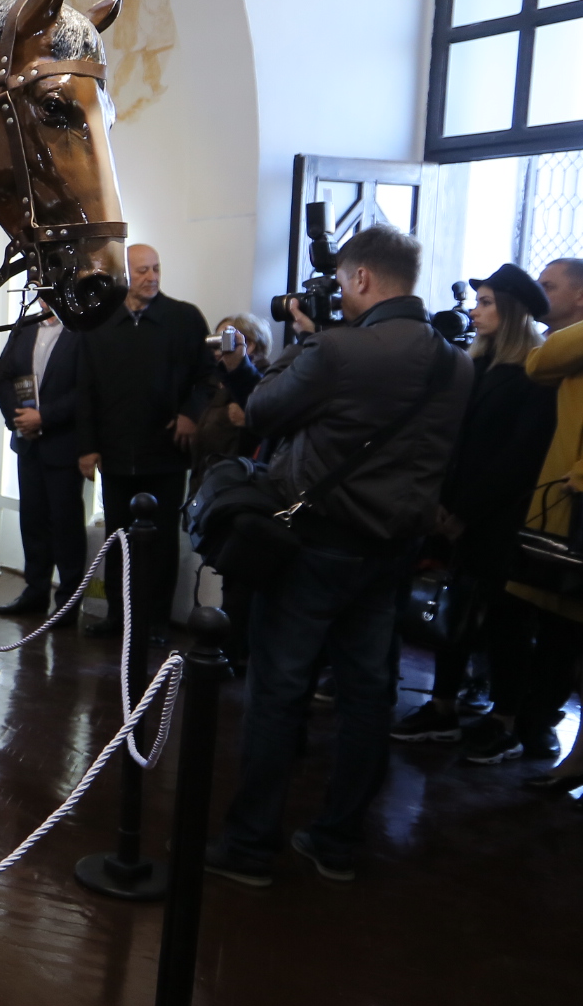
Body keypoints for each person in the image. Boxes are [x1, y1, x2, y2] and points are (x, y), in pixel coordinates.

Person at [206, 226, 472, 886]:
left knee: (278, 690)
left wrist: (303, 342)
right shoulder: (455, 364)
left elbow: (263, 409)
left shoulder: (339, 352)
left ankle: (250, 846)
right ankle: (337, 841)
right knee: (366, 694)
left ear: (360, 280)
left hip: (314, 547)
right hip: (392, 553)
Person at [387, 266, 555, 746]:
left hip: (502, 517)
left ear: (513, 312)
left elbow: (518, 457)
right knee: (456, 613)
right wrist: (443, 502)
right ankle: (442, 705)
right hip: (458, 511)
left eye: (486, 303)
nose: (475, 311)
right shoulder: (475, 365)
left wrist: (464, 510)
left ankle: (503, 718)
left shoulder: (534, 375)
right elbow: (451, 439)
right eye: (477, 302)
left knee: (506, 620)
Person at [461, 257, 583, 768]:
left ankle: (535, 723)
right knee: (517, 616)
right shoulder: (541, 353)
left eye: (550, 286)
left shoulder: (551, 351)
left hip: (561, 507)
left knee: (559, 626)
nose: (541, 291)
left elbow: (539, 365)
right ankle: (518, 719)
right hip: (542, 508)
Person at [76, 242, 215, 639]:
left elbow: (207, 378)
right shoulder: (99, 323)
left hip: (166, 454)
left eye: (156, 268)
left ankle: (154, 622)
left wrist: (191, 414)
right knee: (117, 539)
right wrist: (87, 447)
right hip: (117, 454)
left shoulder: (185, 319)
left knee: (161, 543)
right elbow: (85, 389)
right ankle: (118, 617)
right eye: (142, 271)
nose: (151, 277)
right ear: (124, 276)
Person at [0, 303, 84, 621]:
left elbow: (85, 389)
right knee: (32, 521)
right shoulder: (24, 326)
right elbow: (2, 376)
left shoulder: (80, 329)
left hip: (63, 444)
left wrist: (43, 416)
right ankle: (35, 593)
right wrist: (17, 418)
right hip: (27, 442)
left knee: (66, 526)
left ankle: (68, 603)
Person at [193, 313, 271, 669]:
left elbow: (262, 435)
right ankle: (232, 647)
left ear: (250, 344)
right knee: (229, 577)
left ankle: (236, 652)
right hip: (221, 490)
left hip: (245, 493)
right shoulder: (221, 383)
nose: (218, 348)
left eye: (228, 339)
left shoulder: (262, 384)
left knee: (241, 583)